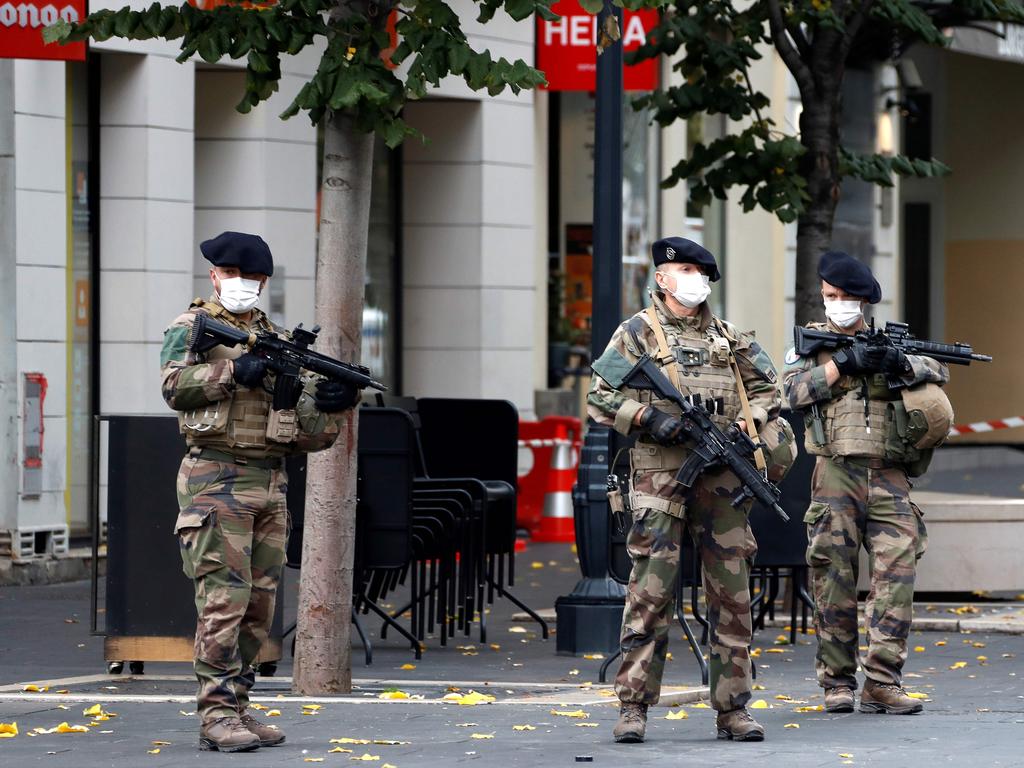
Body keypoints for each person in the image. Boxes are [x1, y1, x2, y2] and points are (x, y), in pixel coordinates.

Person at [589, 236, 793, 743]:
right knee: (650, 593)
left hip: (721, 482)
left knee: (732, 595)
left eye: (702, 271)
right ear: (662, 276)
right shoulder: (636, 333)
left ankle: (733, 710)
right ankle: (633, 706)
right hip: (661, 479)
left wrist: (754, 421)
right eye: (685, 268)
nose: (695, 278)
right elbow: (598, 398)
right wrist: (649, 418)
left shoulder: (730, 338)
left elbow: (772, 389)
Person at [160, 231, 358, 752]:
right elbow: (173, 388)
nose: (241, 284)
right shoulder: (193, 326)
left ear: (264, 282)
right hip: (215, 480)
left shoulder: (277, 338)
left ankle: (239, 707)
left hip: (269, 481)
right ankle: (215, 715)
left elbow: (308, 431)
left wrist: (334, 402)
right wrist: (232, 371)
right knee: (223, 600)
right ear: (214, 275)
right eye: (231, 275)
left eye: (251, 278)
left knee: (259, 607)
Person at [783, 250, 949, 715]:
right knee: (832, 576)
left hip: (891, 475)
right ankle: (837, 682)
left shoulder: (891, 341)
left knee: (896, 577)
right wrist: (843, 364)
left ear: (864, 300)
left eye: (846, 297)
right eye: (830, 295)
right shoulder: (810, 345)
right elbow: (790, 392)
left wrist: (902, 365)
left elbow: (941, 368)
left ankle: (882, 682)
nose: (837, 303)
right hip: (836, 471)